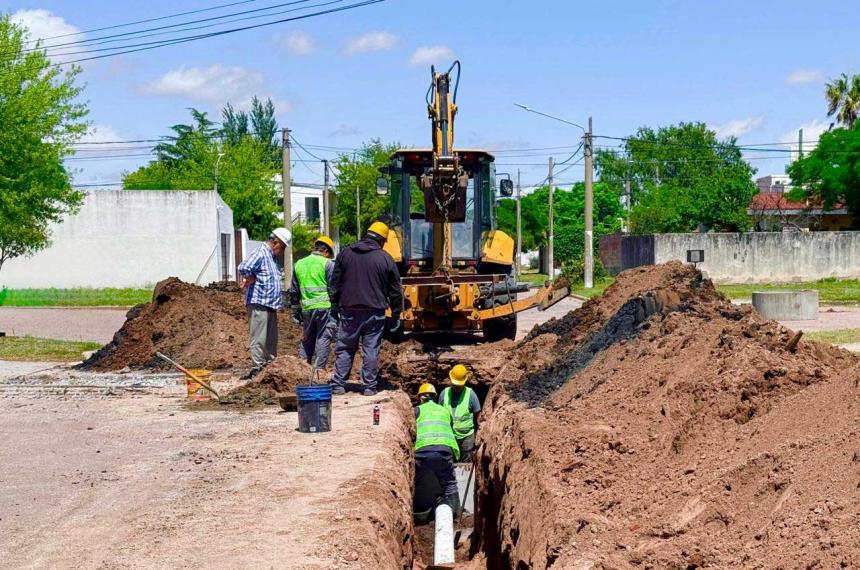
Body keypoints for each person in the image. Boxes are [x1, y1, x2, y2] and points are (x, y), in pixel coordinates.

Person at [328, 219, 403, 396]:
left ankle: (338, 383)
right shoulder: (385, 258)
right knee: (371, 348)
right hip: (374, 311)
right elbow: (395, 290)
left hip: (349, 309)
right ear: (383, 240)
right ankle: (369, 386)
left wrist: (334, 305)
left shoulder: (346, 254)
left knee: (345, 346)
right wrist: (396, 315)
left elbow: (335, 283)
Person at [237, 227, 291, 378]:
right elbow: (243, 267)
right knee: (259, 338)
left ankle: (269, 368)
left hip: (270, 304)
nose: (282, 250)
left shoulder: (271, 257)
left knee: (271, 340)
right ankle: (258, 368)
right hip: (259, 302)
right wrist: (250, 277)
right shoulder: (261, 252)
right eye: (282, 246)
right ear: (275, 242)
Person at [289, 235, 336, 373]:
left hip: (307, 308)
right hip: (324, 307)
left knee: (307, 337)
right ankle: (319, 370)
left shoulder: (299, 264)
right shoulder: (327, 264)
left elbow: (293, 291)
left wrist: (296, 310)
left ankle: (302, 368)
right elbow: (333, 289)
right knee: (323, 337)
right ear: (326, 251)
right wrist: (336, 309)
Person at [413, 383, 460, 515]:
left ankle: (418, 512)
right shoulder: (444, 410)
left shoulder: (416, 410)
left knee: (417, 482)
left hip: (421, 452)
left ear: (420, 398)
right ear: (434, 397)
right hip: (443, 451)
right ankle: (455, 516)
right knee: (450, 483)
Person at [438, 364, 481, 462]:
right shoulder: (444, 394)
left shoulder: (471, 395)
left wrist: (479, 434)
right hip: (448, 436)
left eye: (459, 385)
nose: (457, 387)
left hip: (466, 437)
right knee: (448, 462)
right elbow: (438, 415)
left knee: (466, 464)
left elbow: (478, 416)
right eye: (455, 384)